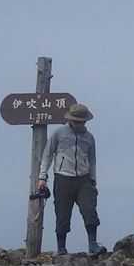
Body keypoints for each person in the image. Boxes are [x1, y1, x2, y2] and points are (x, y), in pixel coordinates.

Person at [36, 103, 100, 255]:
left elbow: (92, 160)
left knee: (90, 211)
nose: (79, 124)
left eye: (81, 121)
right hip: (63, 178)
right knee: (62, 214)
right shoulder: (59, 133)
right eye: (76, 121)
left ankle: (93, 245)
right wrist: (42, 177)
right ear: (70, 120)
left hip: (84, 179)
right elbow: (47, 155)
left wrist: (93, 180)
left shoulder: (89, 138)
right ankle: (61, 248)